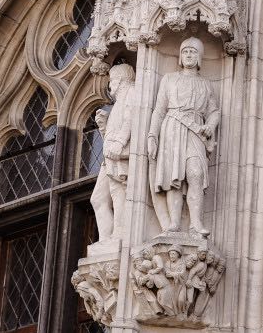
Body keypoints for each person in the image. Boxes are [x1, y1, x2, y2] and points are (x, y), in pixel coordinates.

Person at [148, 37, 220, 236]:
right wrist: (152, 135)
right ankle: (174, 224)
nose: (189, 55)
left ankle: (195, 223)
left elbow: (214, 111)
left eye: (193, 52)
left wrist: (210, 126)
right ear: (180, 56)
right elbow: (159, 110)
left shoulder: (205, 85)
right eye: (185, 51)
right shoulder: (169, 79)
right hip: (171, 129)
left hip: (195, 130)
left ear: (200, 57)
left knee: (195, 173)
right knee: (174, 176)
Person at [90, 63, 137, 242]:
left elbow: (130, 119)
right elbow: (118, 125)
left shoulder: (131, 92)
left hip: (119, 153)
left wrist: (119, 142)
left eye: (112, 81)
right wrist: (104, 126)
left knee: (119, 193)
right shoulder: (119, 101)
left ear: (119, 80)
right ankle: (105, 240)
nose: (110, 86)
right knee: (98, 199)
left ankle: (119, 234)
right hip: (109, 156)